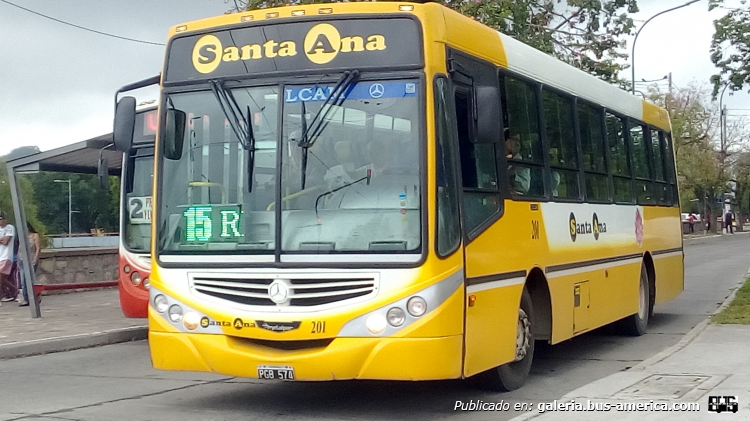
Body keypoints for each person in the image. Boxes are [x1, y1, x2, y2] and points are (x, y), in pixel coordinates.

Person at [19, 222, 41, 307]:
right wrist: (18, 259)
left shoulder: (35, 235)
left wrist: (35, 259)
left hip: (31, 259)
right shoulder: (23, 237)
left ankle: (35, 296)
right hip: (22, 260)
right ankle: (26, 298)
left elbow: (38, 248)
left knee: (31, 280)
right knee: (23, 280)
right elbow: (19, 248)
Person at [505, 129, 530, 195]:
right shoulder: (495, 158)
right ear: (505, 141)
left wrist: (513, 176)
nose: (517, 143)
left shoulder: (522, 163)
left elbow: (525, 187)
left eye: (519, 141)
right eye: (514, 139)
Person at [0, 212, 16, 307]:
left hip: (6, 256)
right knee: (2, 278)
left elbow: (6, 241)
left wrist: (2, 239)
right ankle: (16, 290)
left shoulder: (9, 227)